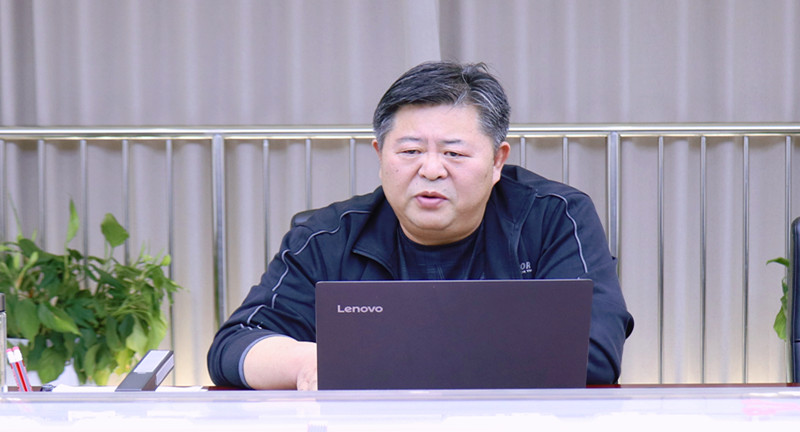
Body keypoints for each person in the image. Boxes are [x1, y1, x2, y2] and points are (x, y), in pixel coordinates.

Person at [207, 61, 633, 389]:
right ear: (380, 155)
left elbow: (594, 352)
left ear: (497, 161)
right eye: (410, 151)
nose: (431, 170)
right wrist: (309, 363)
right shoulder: (327, 236)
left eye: (454, 153)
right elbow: (234, 346)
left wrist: (374, 362)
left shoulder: (554, 217)